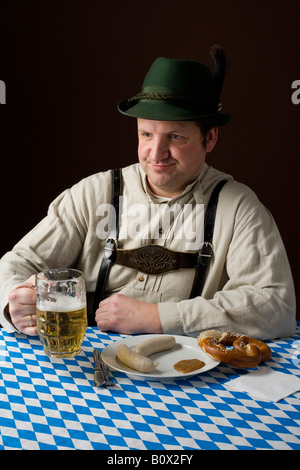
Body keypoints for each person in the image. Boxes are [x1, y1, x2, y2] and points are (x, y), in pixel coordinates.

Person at [0, 46, 296, 340]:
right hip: (88, 370)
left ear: (210, 138)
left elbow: (276, 306)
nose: (156, 153)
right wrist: (13, 298)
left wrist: (157, 317)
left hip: (190, 380)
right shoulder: (93, 194)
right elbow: (16, 263)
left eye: (175, 136)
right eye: (146, 134)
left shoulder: (239, 209)